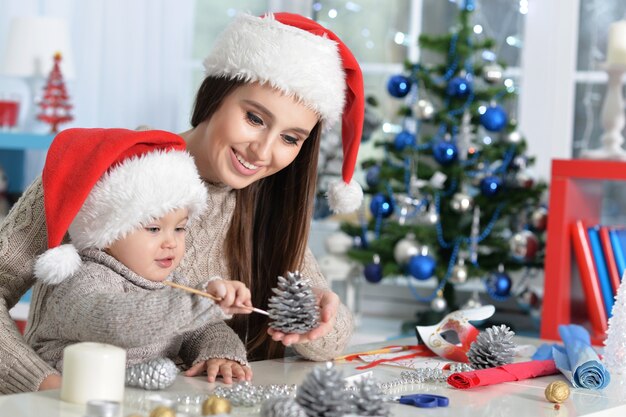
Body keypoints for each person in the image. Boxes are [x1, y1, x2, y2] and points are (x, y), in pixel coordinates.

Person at [0, 11, 364, 393]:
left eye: (291, 138)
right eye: (255, 118)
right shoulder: (107, 170)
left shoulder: (265, 206)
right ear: (215, 96)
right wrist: (44, 384)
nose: (264, 151)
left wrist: (320, 314)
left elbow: (334, 340)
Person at [28, 128, 253, 385]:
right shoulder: (85, 279)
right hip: (67, 397)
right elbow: (111, 322)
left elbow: (204, 328)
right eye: (154, 229)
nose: (171, 242)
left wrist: (222, 354)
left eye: (180, 228)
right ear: (109, 231)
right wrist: (197, 303)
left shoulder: (172, 281)